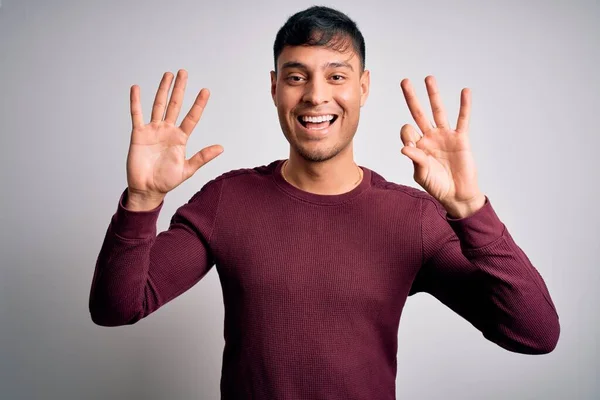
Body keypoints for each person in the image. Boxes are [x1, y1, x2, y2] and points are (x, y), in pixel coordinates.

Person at [89, 5, 560, 399]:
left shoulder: (412, 218)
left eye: (337, 76)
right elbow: (118, 307)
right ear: (274, 87)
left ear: (363, 87)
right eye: (297, 76)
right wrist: (142, 200)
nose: (316, 95)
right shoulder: (227, 200)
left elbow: (534, 333)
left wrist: (472, 210)